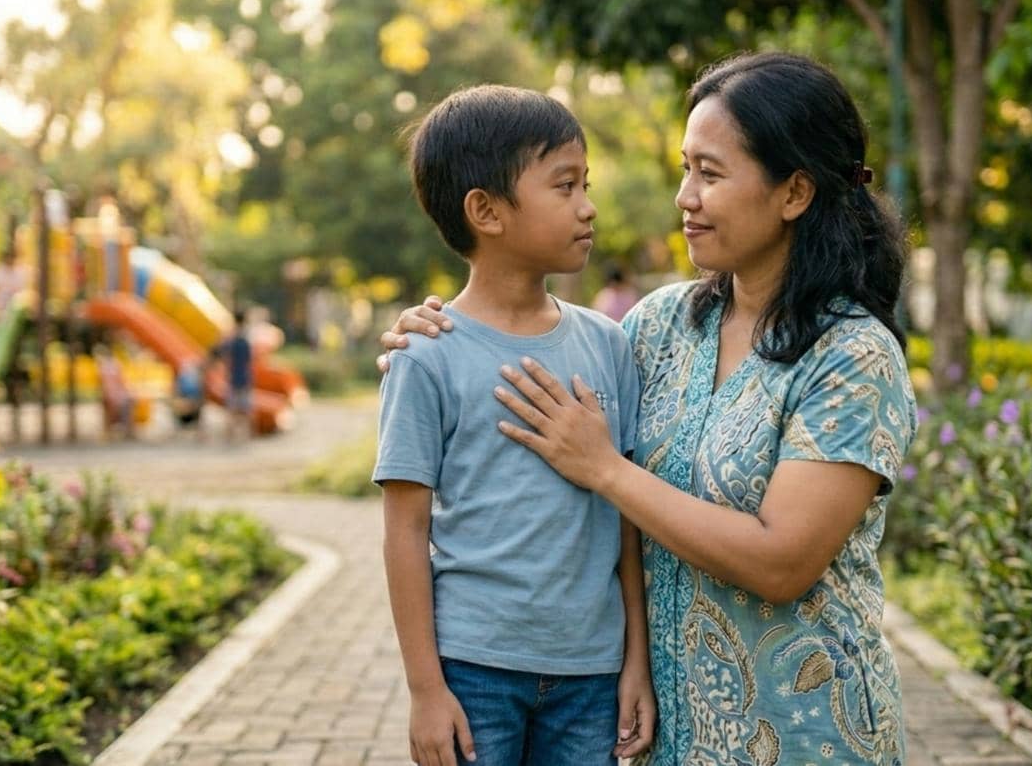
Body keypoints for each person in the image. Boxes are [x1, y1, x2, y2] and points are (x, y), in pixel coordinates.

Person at [379, 52, 917, 765]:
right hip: (672, 739)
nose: (685, 196)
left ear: (794, 191)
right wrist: (430, 336)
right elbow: (521, 337)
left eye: (711, 173)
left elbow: (784, 561)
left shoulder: (853, 355)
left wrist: (604, 469)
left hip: (805, 735)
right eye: (686, 168)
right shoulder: (660, 327)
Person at [373, 84, 654, 766]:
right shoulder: (427, 355)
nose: (587, 206)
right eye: (564, 185)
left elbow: (626, 519)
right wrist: (424, 690)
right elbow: (405, 531)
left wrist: (635, 660)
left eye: (585, 183)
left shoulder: (608, 345)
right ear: (486, 211)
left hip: (591, 671)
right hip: (474, 671)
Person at [215, 309, 253, 442]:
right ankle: (246, 434)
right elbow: (249, 359)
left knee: (232, 408)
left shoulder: (231, 338)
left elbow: (223, 353)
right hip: (244, 376)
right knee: (245, 408)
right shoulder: (246, 338)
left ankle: (230, 435)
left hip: (234, 377)